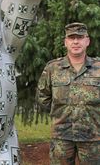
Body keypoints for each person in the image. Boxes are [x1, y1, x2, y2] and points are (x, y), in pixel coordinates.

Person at [37, 22, 100, 165]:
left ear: (87, 41)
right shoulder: (53, 68)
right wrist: (61, 114)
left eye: (80, 37)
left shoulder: (98, 68)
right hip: (62, 137)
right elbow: (43, 97)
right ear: (66, 42)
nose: (76, 41)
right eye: (72, 38)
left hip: (93, 138)